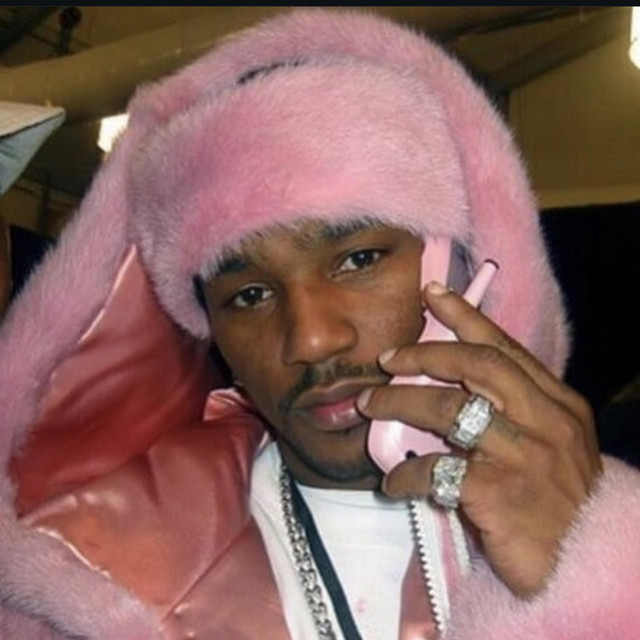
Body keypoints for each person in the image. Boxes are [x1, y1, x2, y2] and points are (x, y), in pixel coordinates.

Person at [0, 8, 638, 640]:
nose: (310, 339)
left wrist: (591, 565)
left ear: (466, 266)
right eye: (249, 295)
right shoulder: (81, 581)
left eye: (359, 260)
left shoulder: (605, 534)